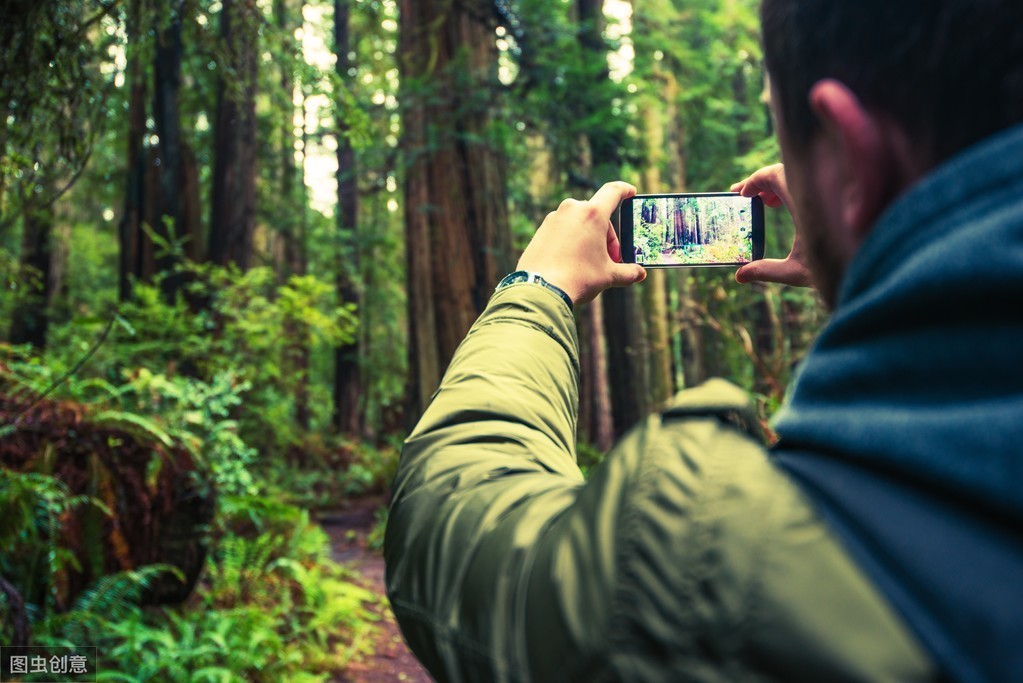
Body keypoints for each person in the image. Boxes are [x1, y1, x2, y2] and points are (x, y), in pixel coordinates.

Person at [384, 0, 1023, 680]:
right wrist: (866, 251)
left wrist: (537, 287)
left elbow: (447, 510)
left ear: (845, 154)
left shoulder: (701, 573)